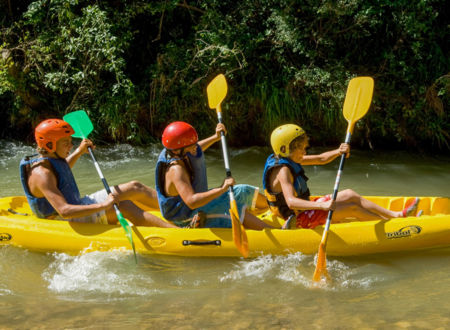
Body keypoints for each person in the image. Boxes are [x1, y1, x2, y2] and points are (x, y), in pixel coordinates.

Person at [20, 118, 176, 228]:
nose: (70, 146)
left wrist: (79, 152)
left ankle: (179, 211)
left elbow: (61, 172)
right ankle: (177, 233)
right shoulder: (41, 174)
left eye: (71, 141)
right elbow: (65, 211)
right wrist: (104, 205)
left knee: (135, 187)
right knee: (124, 206)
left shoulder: (50, 159)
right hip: (63, 220)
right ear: (49, 145)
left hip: (76, 205)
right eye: (66, 143)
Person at [262, 124, 420, 229]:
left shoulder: (289, 157)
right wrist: (322, 206)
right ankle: (394, 228)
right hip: (296, 219)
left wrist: (338, 151)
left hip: (303, 209)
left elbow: (321, 159)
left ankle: (397, 215)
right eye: (301, 149)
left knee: (350, 194)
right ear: (285, 149)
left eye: (304, 147)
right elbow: (291, 202)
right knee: (353, 208)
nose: (304, 152)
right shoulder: (282, 170)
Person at [155, 121, 271, 229]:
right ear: (177, 151)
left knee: (244, 190)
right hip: (185, 216)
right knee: (234, 206)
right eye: (192, 145)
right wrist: (222, 189)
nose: (196, 147)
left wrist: (216, 137)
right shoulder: (176, 171)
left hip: (191, 207)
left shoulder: (176, 151)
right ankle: (275, 232)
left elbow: (197, 148)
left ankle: (275, 208)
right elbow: (192, 201)